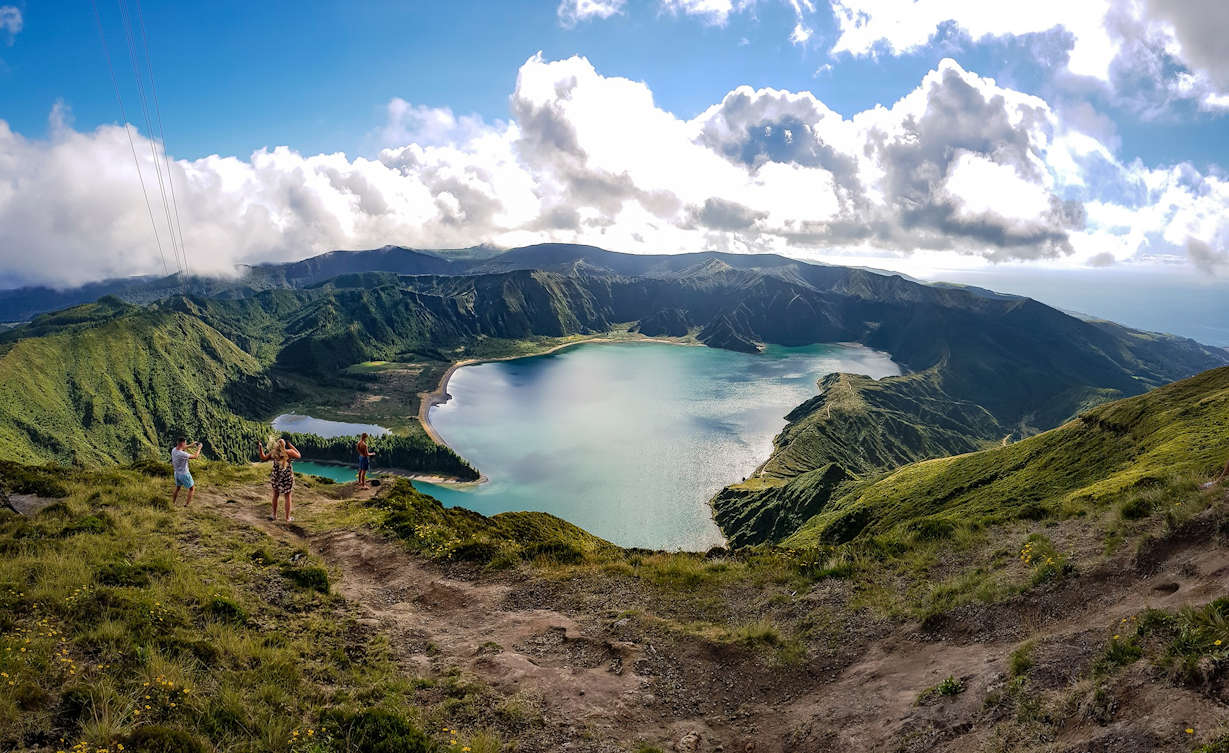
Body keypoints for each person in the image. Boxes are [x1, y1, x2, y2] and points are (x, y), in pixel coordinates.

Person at [258, 437, 301, 522]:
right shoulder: (289, 452)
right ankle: (287, 518)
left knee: (275, 495)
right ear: (284, 445)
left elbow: (263, 458)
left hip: (276, 477)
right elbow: (299, 455)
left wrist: (260, 447)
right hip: (287, 477)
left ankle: (274, 515)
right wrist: (291, 446)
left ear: (277, 445)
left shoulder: (273, 453)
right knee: (287, 496)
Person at [170, 437, 203, 507]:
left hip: (176, 473)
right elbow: (195, 456)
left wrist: (191, 445)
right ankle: (186, 505)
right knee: (192, 488)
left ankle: (173, 503)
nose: (186, 444)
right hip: (184, 474)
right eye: (185, 443)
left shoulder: (173, 450)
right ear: (182, 443)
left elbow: (183, 447)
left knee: (178, 488)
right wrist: (199, 448)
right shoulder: (182, 454)